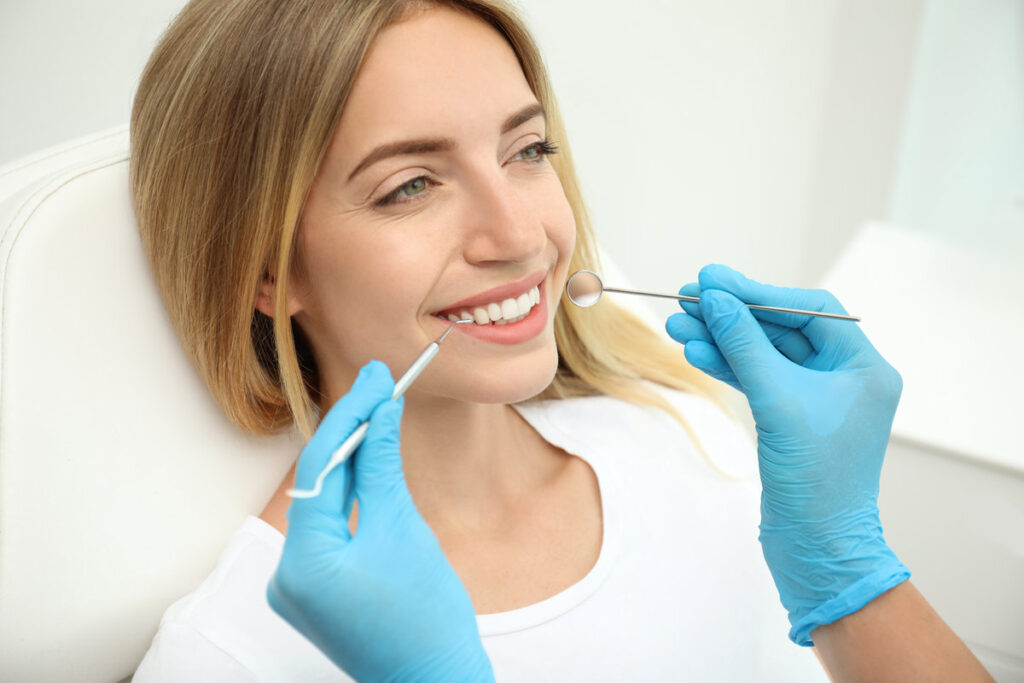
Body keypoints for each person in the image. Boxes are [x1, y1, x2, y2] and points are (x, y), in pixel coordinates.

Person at [128, 0, 993, 681]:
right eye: (412, 185)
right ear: (270, 269)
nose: (520, 234)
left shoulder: (684, 436)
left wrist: (848, 572)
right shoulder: (231, 652)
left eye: (527, 148)